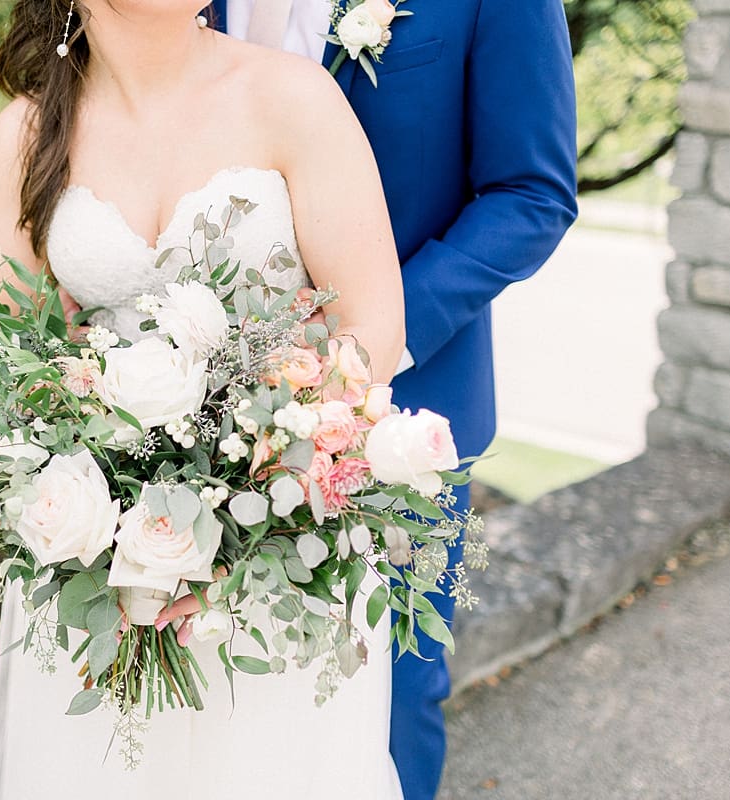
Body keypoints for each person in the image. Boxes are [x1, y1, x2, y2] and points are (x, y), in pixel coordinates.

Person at [0, 1, 410, 798]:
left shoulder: (295, 97)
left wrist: (270, 476)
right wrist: (101, 520)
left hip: (280, 548)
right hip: (96, 566)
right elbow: (12, 364)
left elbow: (373, 321)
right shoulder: (26, 134)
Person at [208, 1, 579, 798]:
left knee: (390, 692)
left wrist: (373, 345)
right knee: (221, 694)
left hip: (404, 412)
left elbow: (532, 193)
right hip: (205, 414)